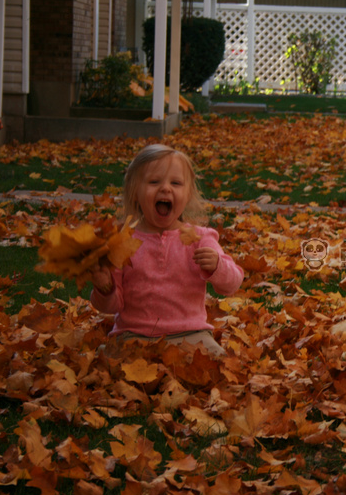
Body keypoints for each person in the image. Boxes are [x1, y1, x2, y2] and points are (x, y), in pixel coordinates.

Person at [90, 144, 244, 358]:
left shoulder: (199, 239)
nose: (165, 188)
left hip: (191, 334)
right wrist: (104, 288)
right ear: (135, 192)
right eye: (154, 182)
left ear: (188, 193)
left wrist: (218, 266)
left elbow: (233, 283)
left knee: (218, 364)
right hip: (134, 335)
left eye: (176, 183)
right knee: (110, 368)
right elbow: (111, 305)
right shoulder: (121, 242)